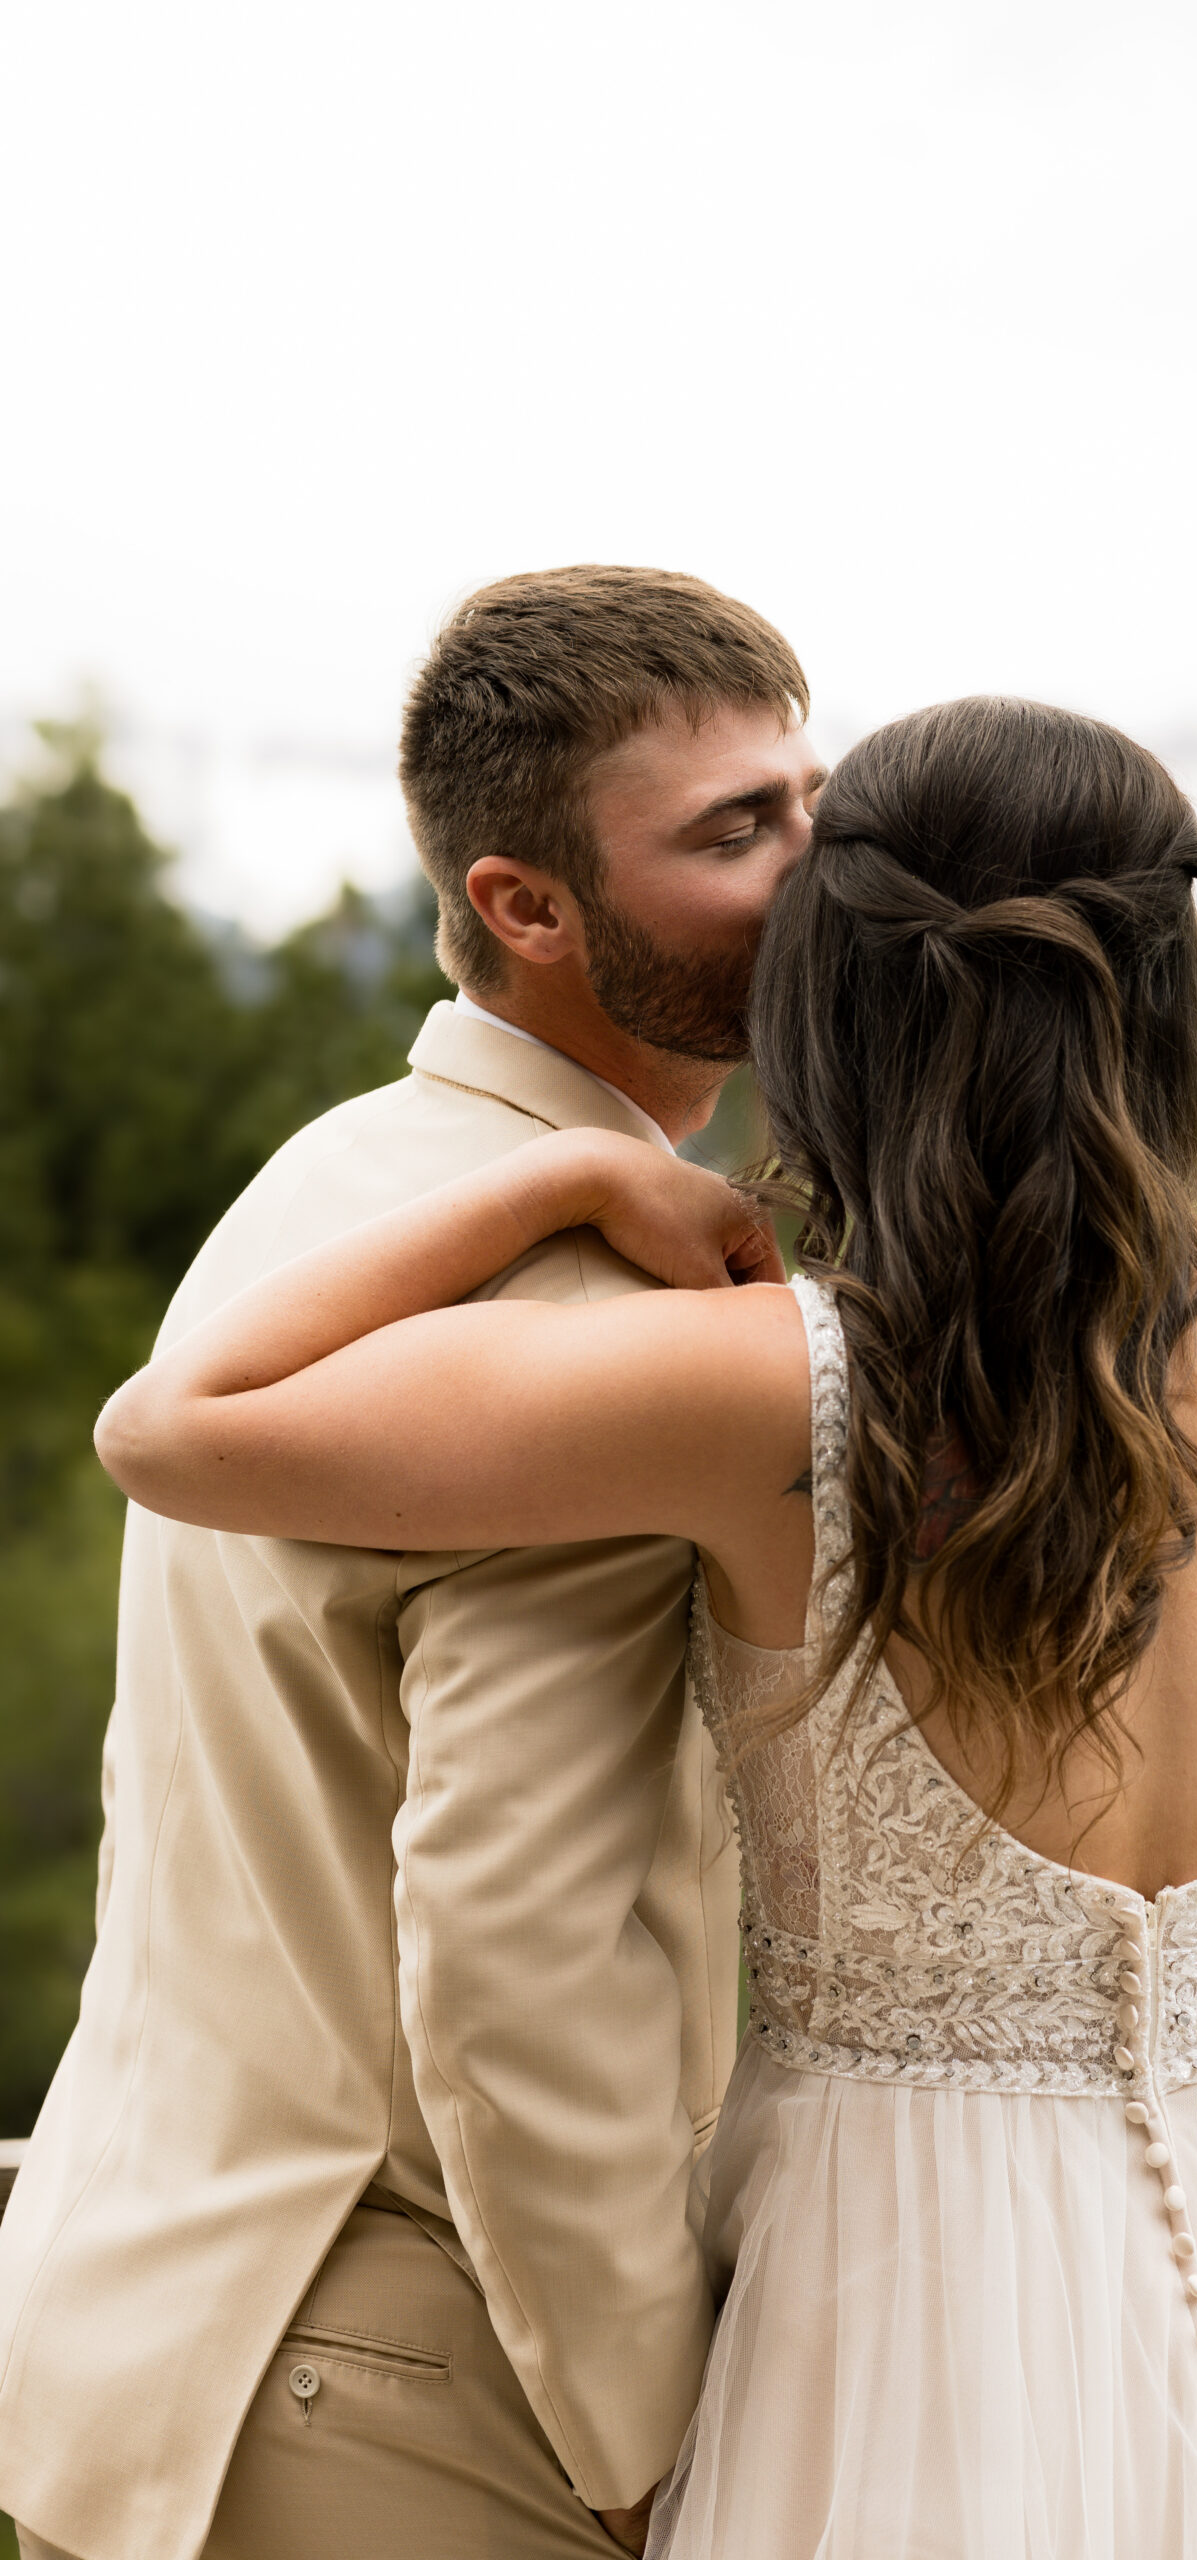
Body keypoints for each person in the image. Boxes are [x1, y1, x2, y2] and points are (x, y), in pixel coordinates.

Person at [92, 697, 1197, 2557]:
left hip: (910, 2263)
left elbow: (176, 1426)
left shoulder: (778, 1391)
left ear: (835, 1006)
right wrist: (1176, 2051)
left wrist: (564, 1172)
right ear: (1173, 995)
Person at [0, 564, 824, 2560]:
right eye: (736, 831)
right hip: (410, 2388)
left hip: (148, 2325)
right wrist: (633, 2447)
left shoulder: (332, 1185)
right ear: (522, 904)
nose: (819, 873)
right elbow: (513, 1949)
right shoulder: (576, 1300)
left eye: (814, 799)